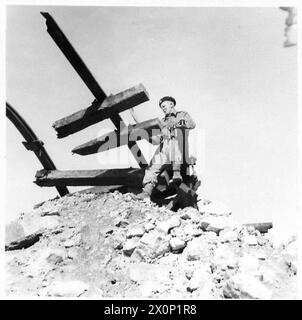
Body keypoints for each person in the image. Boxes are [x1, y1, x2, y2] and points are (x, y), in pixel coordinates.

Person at [136, 96, 196, 200]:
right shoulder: (162, 122)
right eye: (161, 107)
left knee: (173, 141)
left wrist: (176, 124)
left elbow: (192, 124)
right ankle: (146, 192)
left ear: (171, 104)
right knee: (152, 166)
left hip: (180, 146)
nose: (163, 109)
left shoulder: (182, 114)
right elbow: (157, 141)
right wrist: (146, 136)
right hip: (165, 149)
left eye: (164, 106)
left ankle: (177, 173)